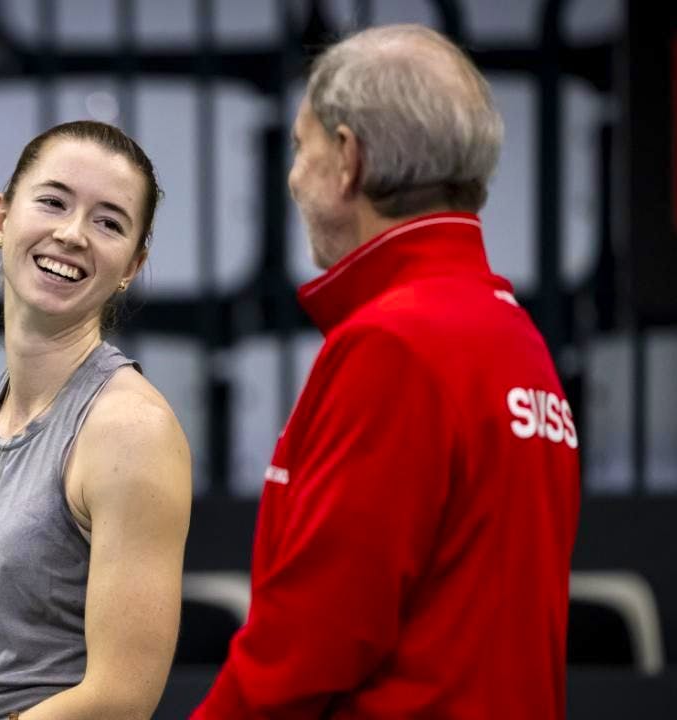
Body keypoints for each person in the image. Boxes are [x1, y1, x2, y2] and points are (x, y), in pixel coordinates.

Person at [192, 24, 580, 719]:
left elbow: (315, 639)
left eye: (299, 148)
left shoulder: (392, 345)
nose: (292, 177)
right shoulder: (512, 334)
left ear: (347, 160)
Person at [0, 120, 192, 720]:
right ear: (1, 220)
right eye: (52, 202)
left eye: (109, 222)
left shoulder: (132, 432)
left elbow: (121, 700)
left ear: (133, 262)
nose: (72, 234)